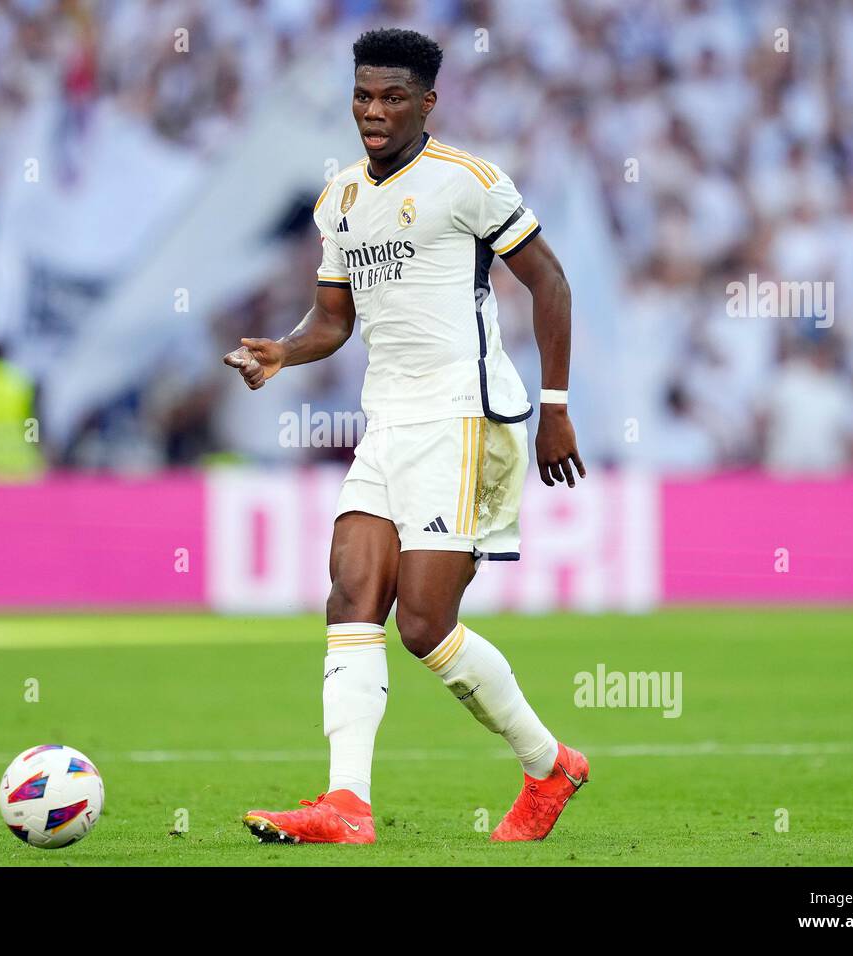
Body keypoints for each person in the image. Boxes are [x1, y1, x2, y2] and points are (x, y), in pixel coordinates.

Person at [224, 29, 588, 845]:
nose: (374, 112)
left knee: (423, 625)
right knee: (350, 593)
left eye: (393, 98)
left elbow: (549, 281)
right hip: (385, 421)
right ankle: (345, 805)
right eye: (363, 97)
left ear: (428, 101)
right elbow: (331, 320)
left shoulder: (469, 182)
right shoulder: (341, 199)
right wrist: (282, 351)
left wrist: (556, 407)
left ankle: (548, 764)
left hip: (464, 418)